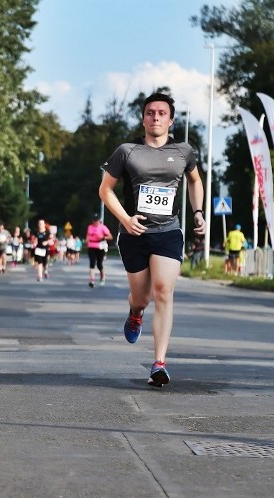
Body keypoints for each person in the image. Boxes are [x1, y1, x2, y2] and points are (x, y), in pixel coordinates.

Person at [98, 91, 206, 388]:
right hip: (134, 233)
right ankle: (135, 313)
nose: (155, 117)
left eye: (161, 113)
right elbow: (105, 190)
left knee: (163, 291)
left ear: (171, 120)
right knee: (142, 297)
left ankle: (159, 364)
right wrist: (125, 219)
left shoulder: (184, 151)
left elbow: (195, 180)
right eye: (150, 112)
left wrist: (197, 212)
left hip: (168, 231)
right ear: (143, 118)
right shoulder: (127, 151)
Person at [85, 213, 113, 287]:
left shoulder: (103, 227)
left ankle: (102, 277)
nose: (95, 222)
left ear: (99, 221)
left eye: (96, 220)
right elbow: (88, 236)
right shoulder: (90, 227)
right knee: (92, 263)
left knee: (99, 264)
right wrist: (87, 240)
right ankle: (92, 280)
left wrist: (103, 237)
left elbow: (110, 237)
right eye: (94, 220)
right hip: (91, 246)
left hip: (100, 246)